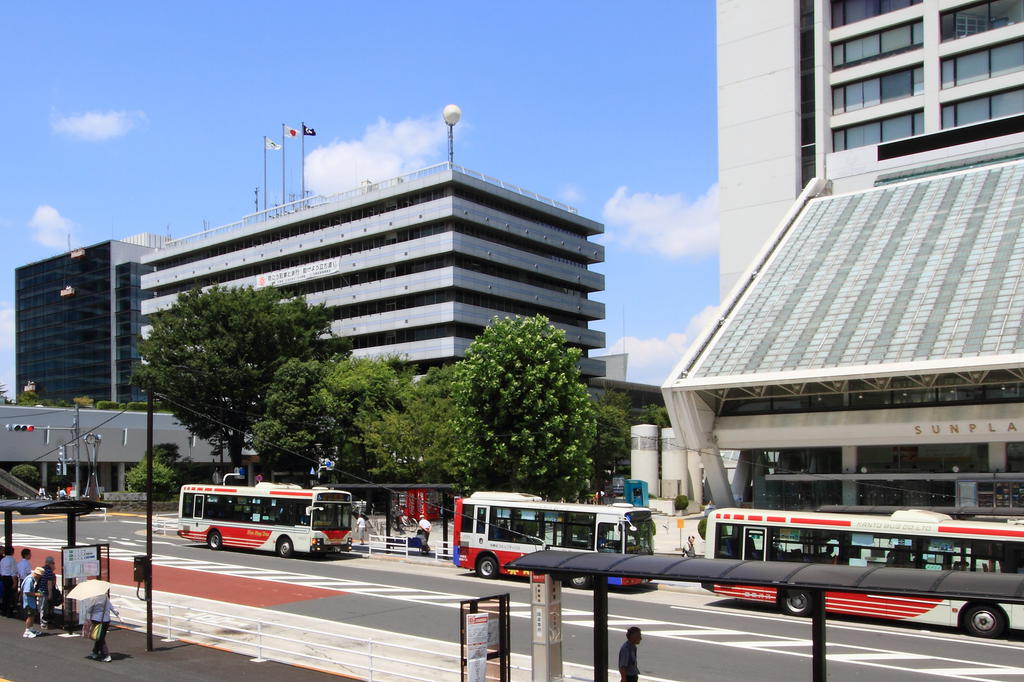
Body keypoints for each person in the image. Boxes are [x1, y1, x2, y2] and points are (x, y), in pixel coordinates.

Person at [88, 589, 119, 662]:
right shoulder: (105, 597)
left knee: (100, 638)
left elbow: (89, 609)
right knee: (99, 636)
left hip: (97, 620)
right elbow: (111, 607)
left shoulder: (94, 598)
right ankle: (95, 652)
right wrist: (117, 615)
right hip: (106, 620)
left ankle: (106, 655)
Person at [21, 566, 43, 638]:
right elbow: (27, 592)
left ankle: (31, 629)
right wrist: (36, 594)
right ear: (37, 574)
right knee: (30, 616)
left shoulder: (31, 579)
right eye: (40, 575)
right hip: (28, 602)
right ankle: (27, 631)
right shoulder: (29, 580)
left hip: (31, 602)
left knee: (32, 615)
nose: (40, 577)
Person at [37, 557, 57, 628]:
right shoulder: (49, 571)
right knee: (44, 607)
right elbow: (49, 583)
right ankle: (43, 622)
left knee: (42, 606)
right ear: (50, 563)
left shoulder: (42, 569)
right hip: (45, 591)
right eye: (53, 563)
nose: (54, 565)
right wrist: (50, 593)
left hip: (40, 590)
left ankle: (42, 621)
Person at [0, 547, 14, 616]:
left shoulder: (3, 560)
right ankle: (8, 612)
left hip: (3, 578)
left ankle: (3, 611)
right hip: (9, 578)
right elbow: (13, 572)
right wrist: (15, 582)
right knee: (9, 595)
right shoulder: (12, 560)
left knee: (4, 595)